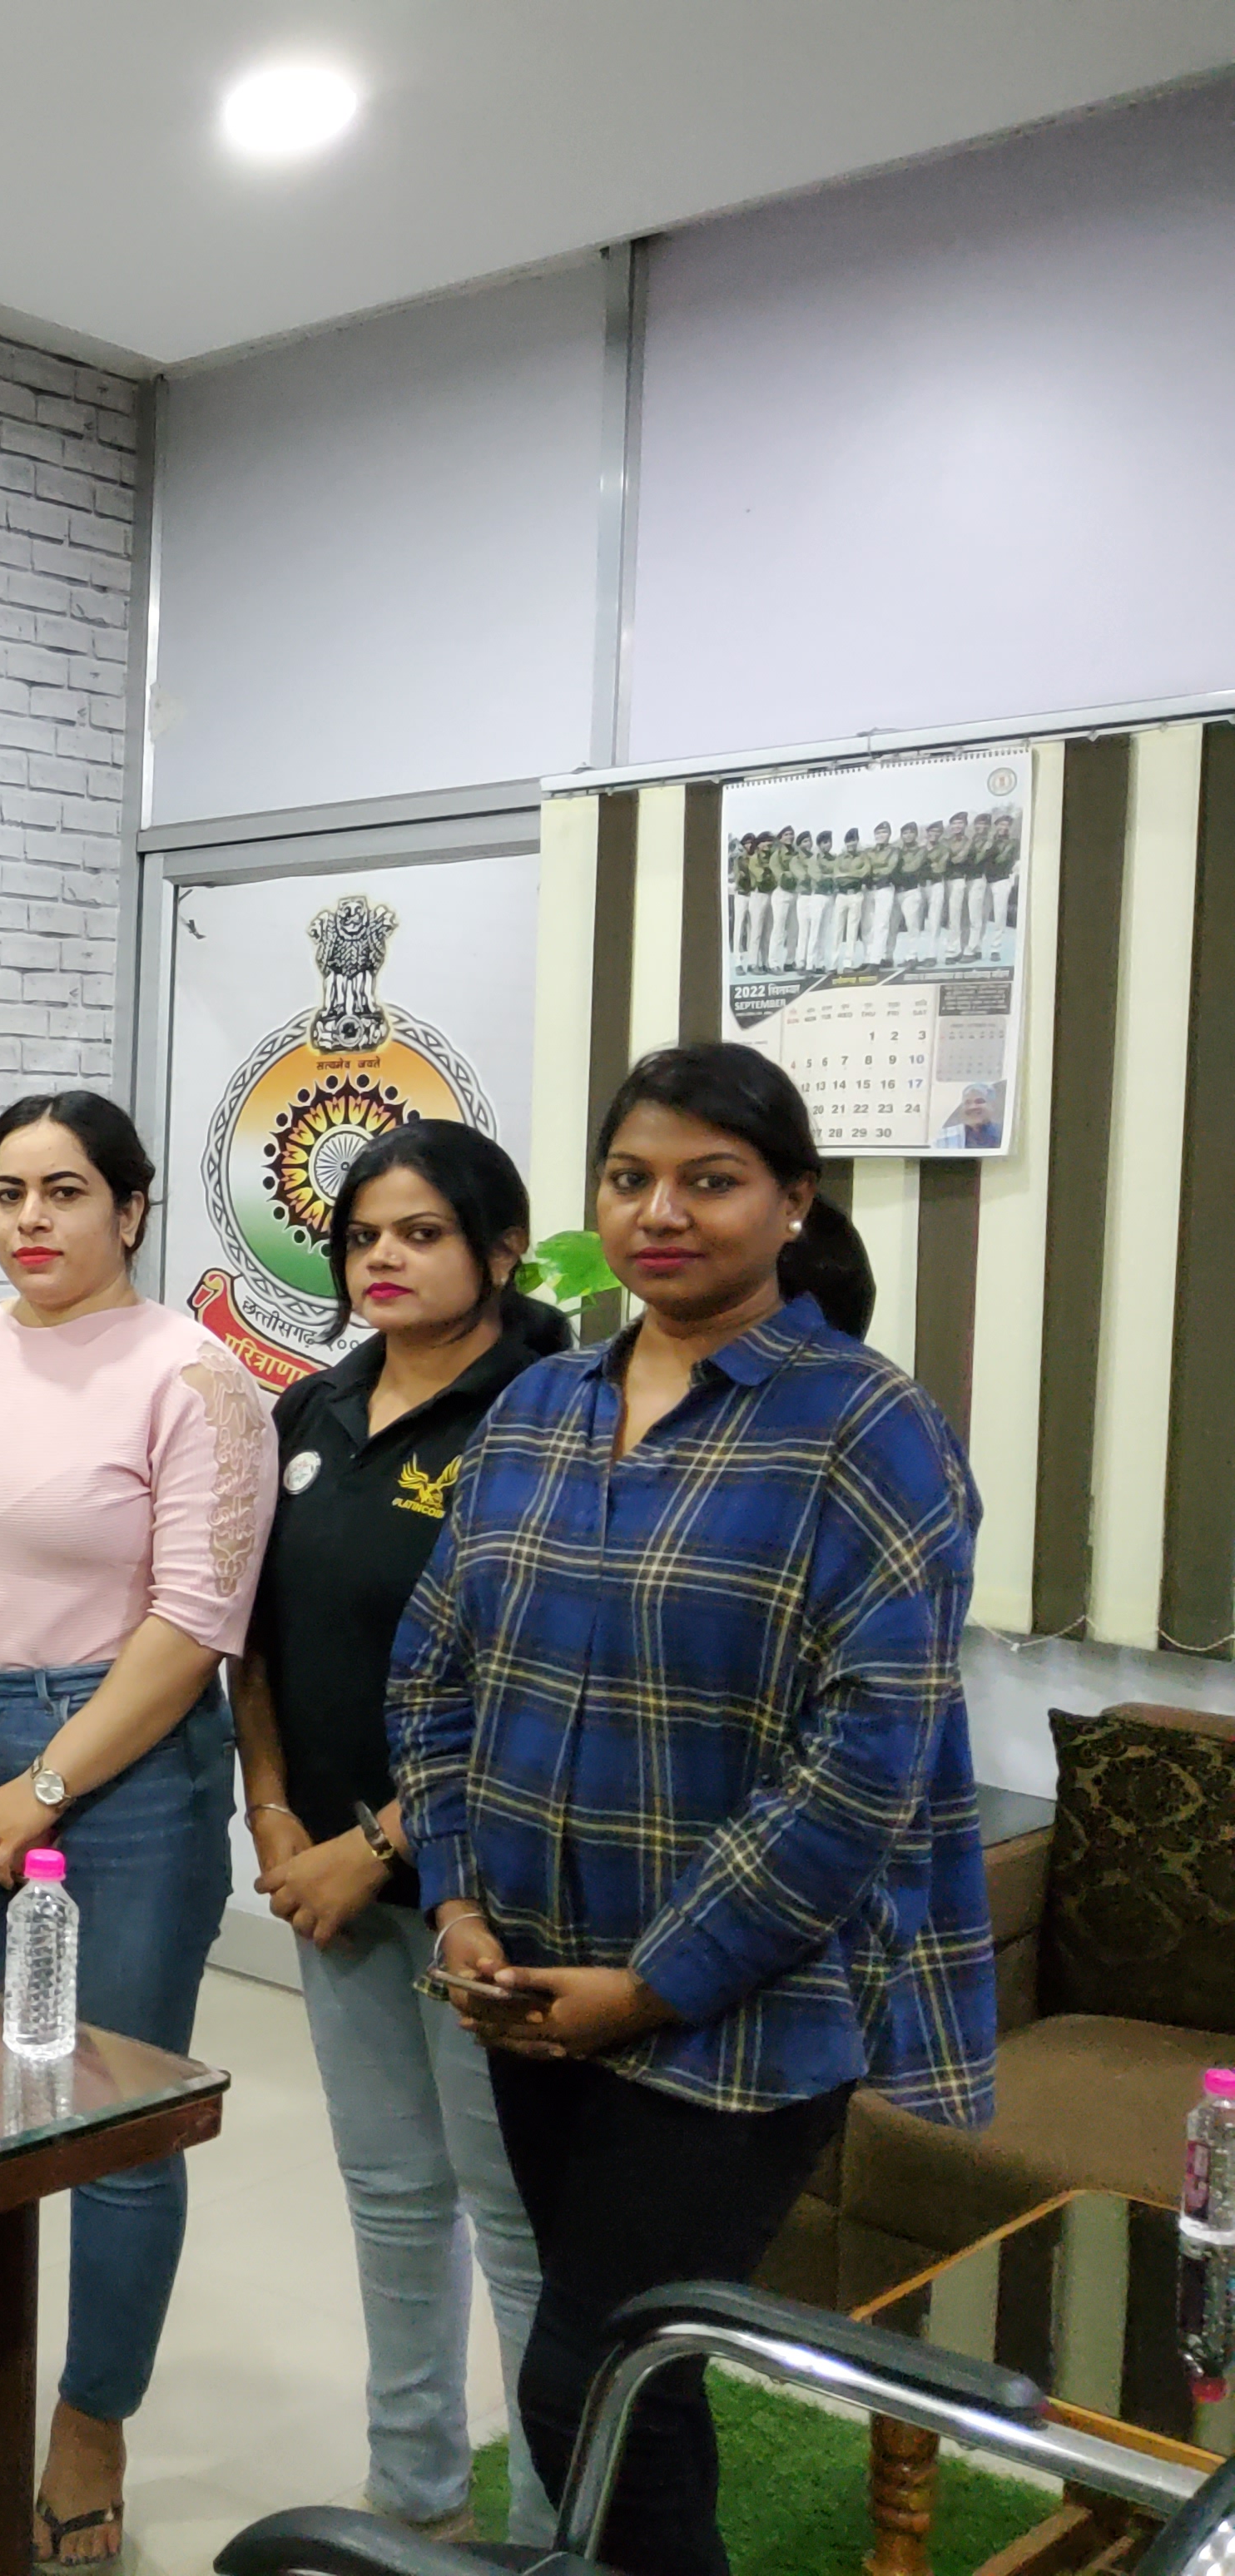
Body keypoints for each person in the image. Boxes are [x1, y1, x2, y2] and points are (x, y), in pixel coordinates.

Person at [391, 1042, 993, 2576]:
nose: (660, 1212)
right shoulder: (538, 1406)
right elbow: (434, 1669)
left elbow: (864, 1762)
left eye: (708, 1181)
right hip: (528, 1980)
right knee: (631, 2386)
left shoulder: (866, 1430)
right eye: (629, 1178)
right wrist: (454, 1900)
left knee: (591, 2377)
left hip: (739, 2008)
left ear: (792, 1202)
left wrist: (652, 1983)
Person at [0, 1088, 275, 2569]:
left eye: (65, 1190)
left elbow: (194, 1622)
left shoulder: (196, 1374)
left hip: (121, 1770)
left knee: (112, 2118)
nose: (30, 1219)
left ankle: (89, 2422)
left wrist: (41, 1789)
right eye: (6, 1192)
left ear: (131, 1208)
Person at [231, 1122, 564, 2550]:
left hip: (484, 1885)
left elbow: (543, 1675)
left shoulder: (549, 1412)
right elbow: (254, 1634)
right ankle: (414, 2499)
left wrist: (374, 1844)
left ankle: (548, 2531)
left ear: (500, 1250)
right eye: (363, 1235)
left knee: (513, 2216)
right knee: (387, 2193)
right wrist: (269, 1807)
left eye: (421, 1233)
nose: (382, 1257)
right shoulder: (313, 1408)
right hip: (326, 1880)